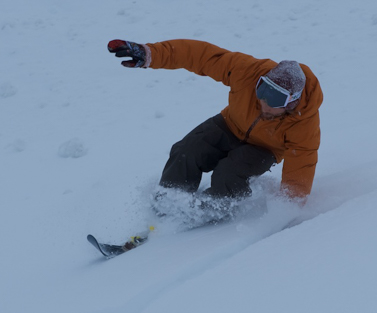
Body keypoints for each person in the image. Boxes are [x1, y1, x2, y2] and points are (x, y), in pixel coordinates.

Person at [107, 39, 322, 216]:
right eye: (262, 90)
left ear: (291, 102)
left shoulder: (304, 123)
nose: (263, 102)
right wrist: (151, 54)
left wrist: (286, 210)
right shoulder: (248, 72)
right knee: (186, 151)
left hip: (265, 149)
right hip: (229, 124)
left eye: (275, 100)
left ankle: (211, 212)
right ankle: (166, 206)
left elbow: (300, 168)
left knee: (228, 173)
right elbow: (202, 55)